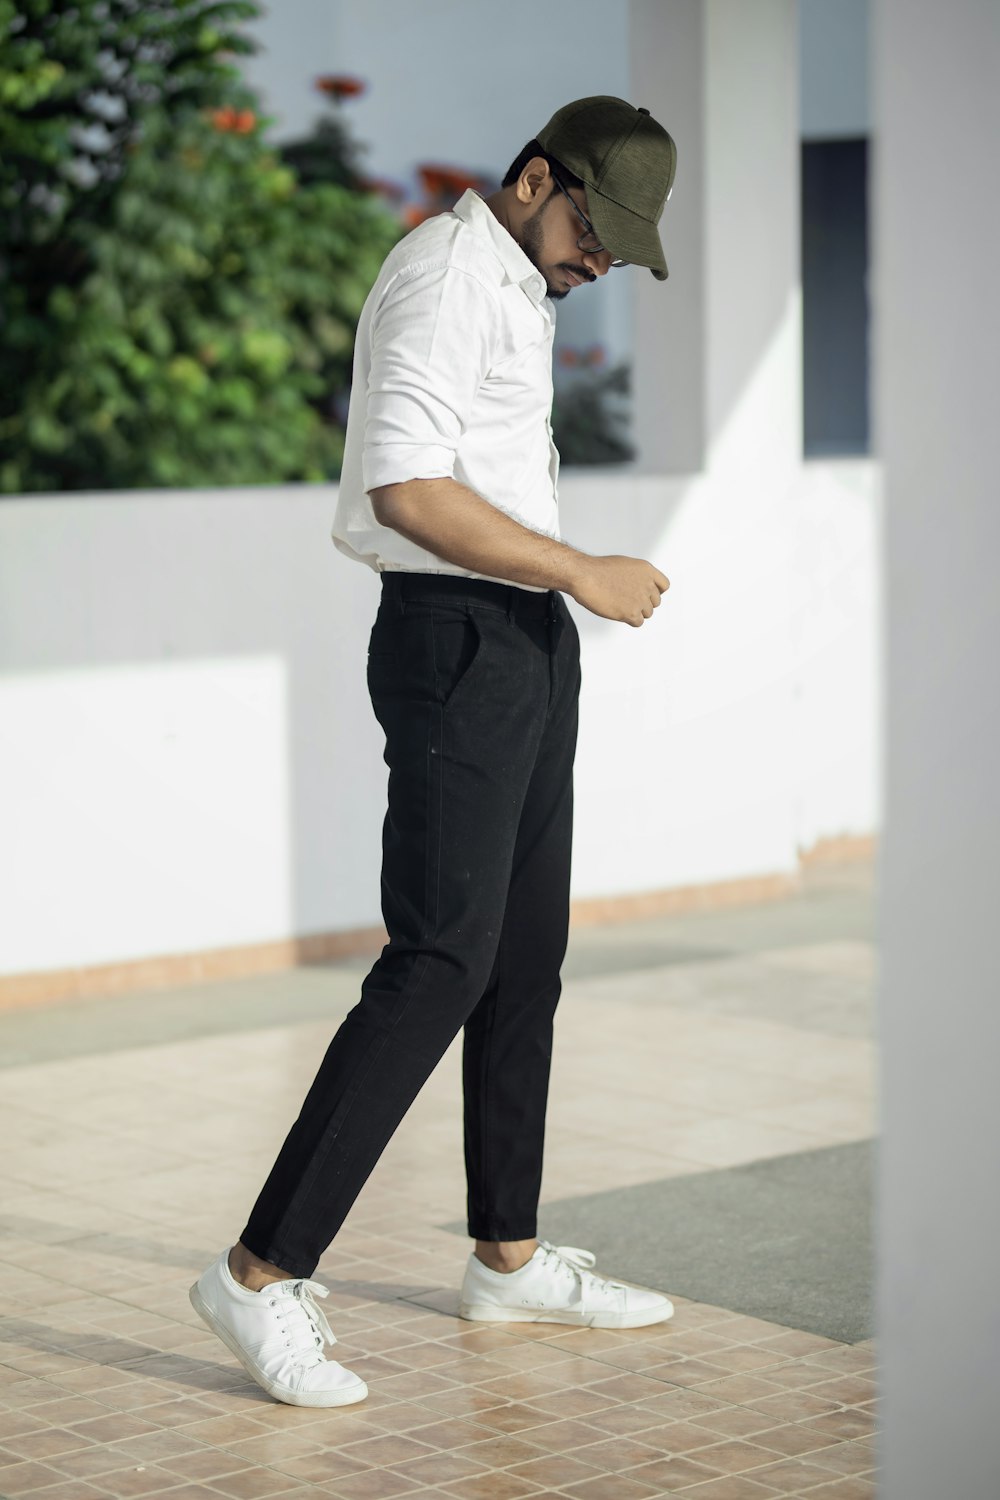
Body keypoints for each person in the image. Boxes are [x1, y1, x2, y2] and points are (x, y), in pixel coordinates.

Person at [190, 95, 678, 1409]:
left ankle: (507, 1256)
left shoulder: (517, 282)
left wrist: (557, 602)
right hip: (457, 636)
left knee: (524, 959)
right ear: (535, 180)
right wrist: (580, 571)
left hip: (520, 639)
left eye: (621, 249)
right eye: (597, 230)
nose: (603, 262)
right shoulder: (445, 276)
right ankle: (255, 1274)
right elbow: (406, 488)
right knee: (440, 963)